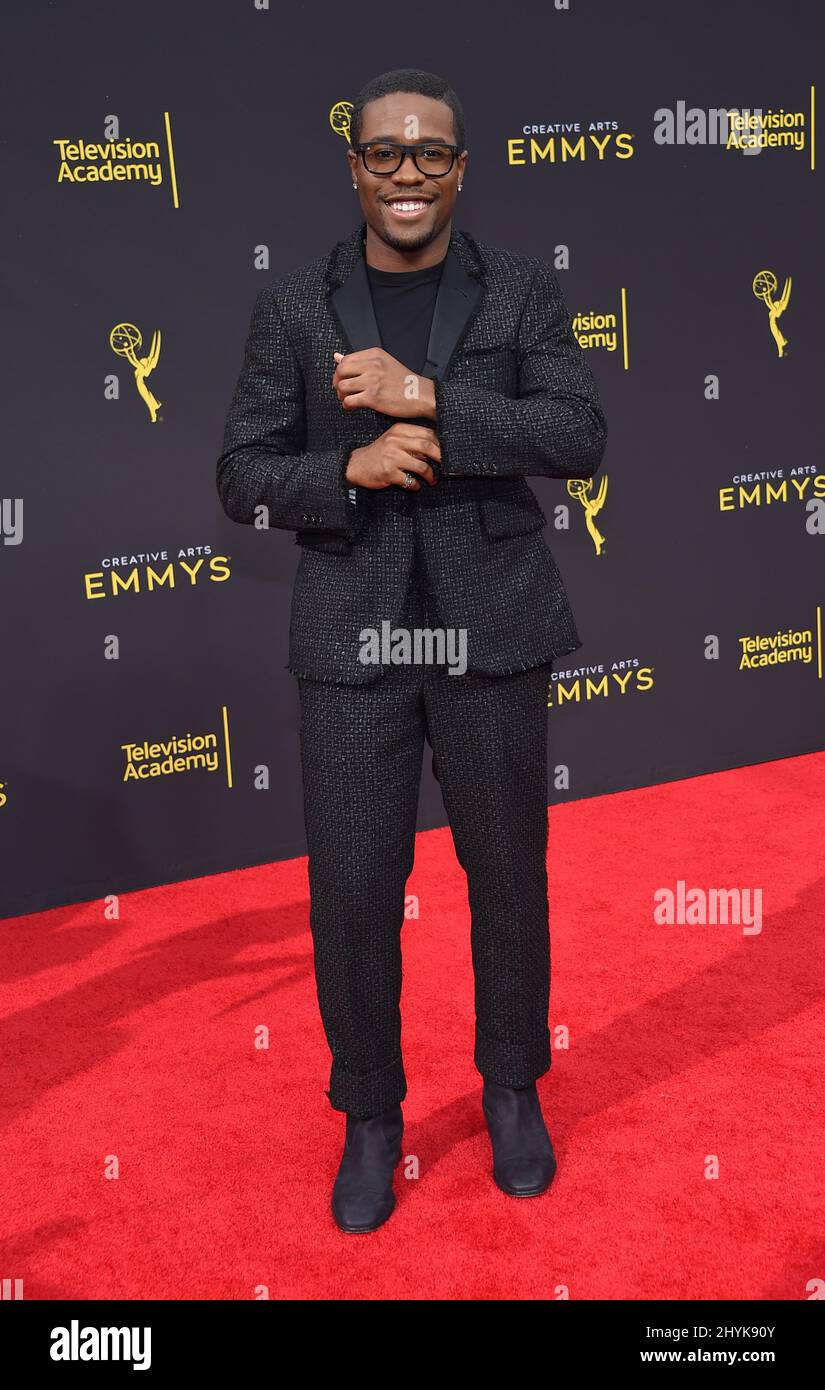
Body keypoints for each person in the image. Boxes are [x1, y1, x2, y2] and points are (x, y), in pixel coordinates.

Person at [216, 68, 607, 1233]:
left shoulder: (524, 294)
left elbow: (576, 435)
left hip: (494, 632)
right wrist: (346, 465)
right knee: (350, 893)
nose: (407, 172)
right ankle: (371, 1113)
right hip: (352, 638)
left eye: (429, 152)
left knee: (507, 880)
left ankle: (511, 1089)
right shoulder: (294, 306)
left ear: (460, 167)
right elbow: (240, 473)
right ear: (354, 166)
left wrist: (427, 401)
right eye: (385, 152)